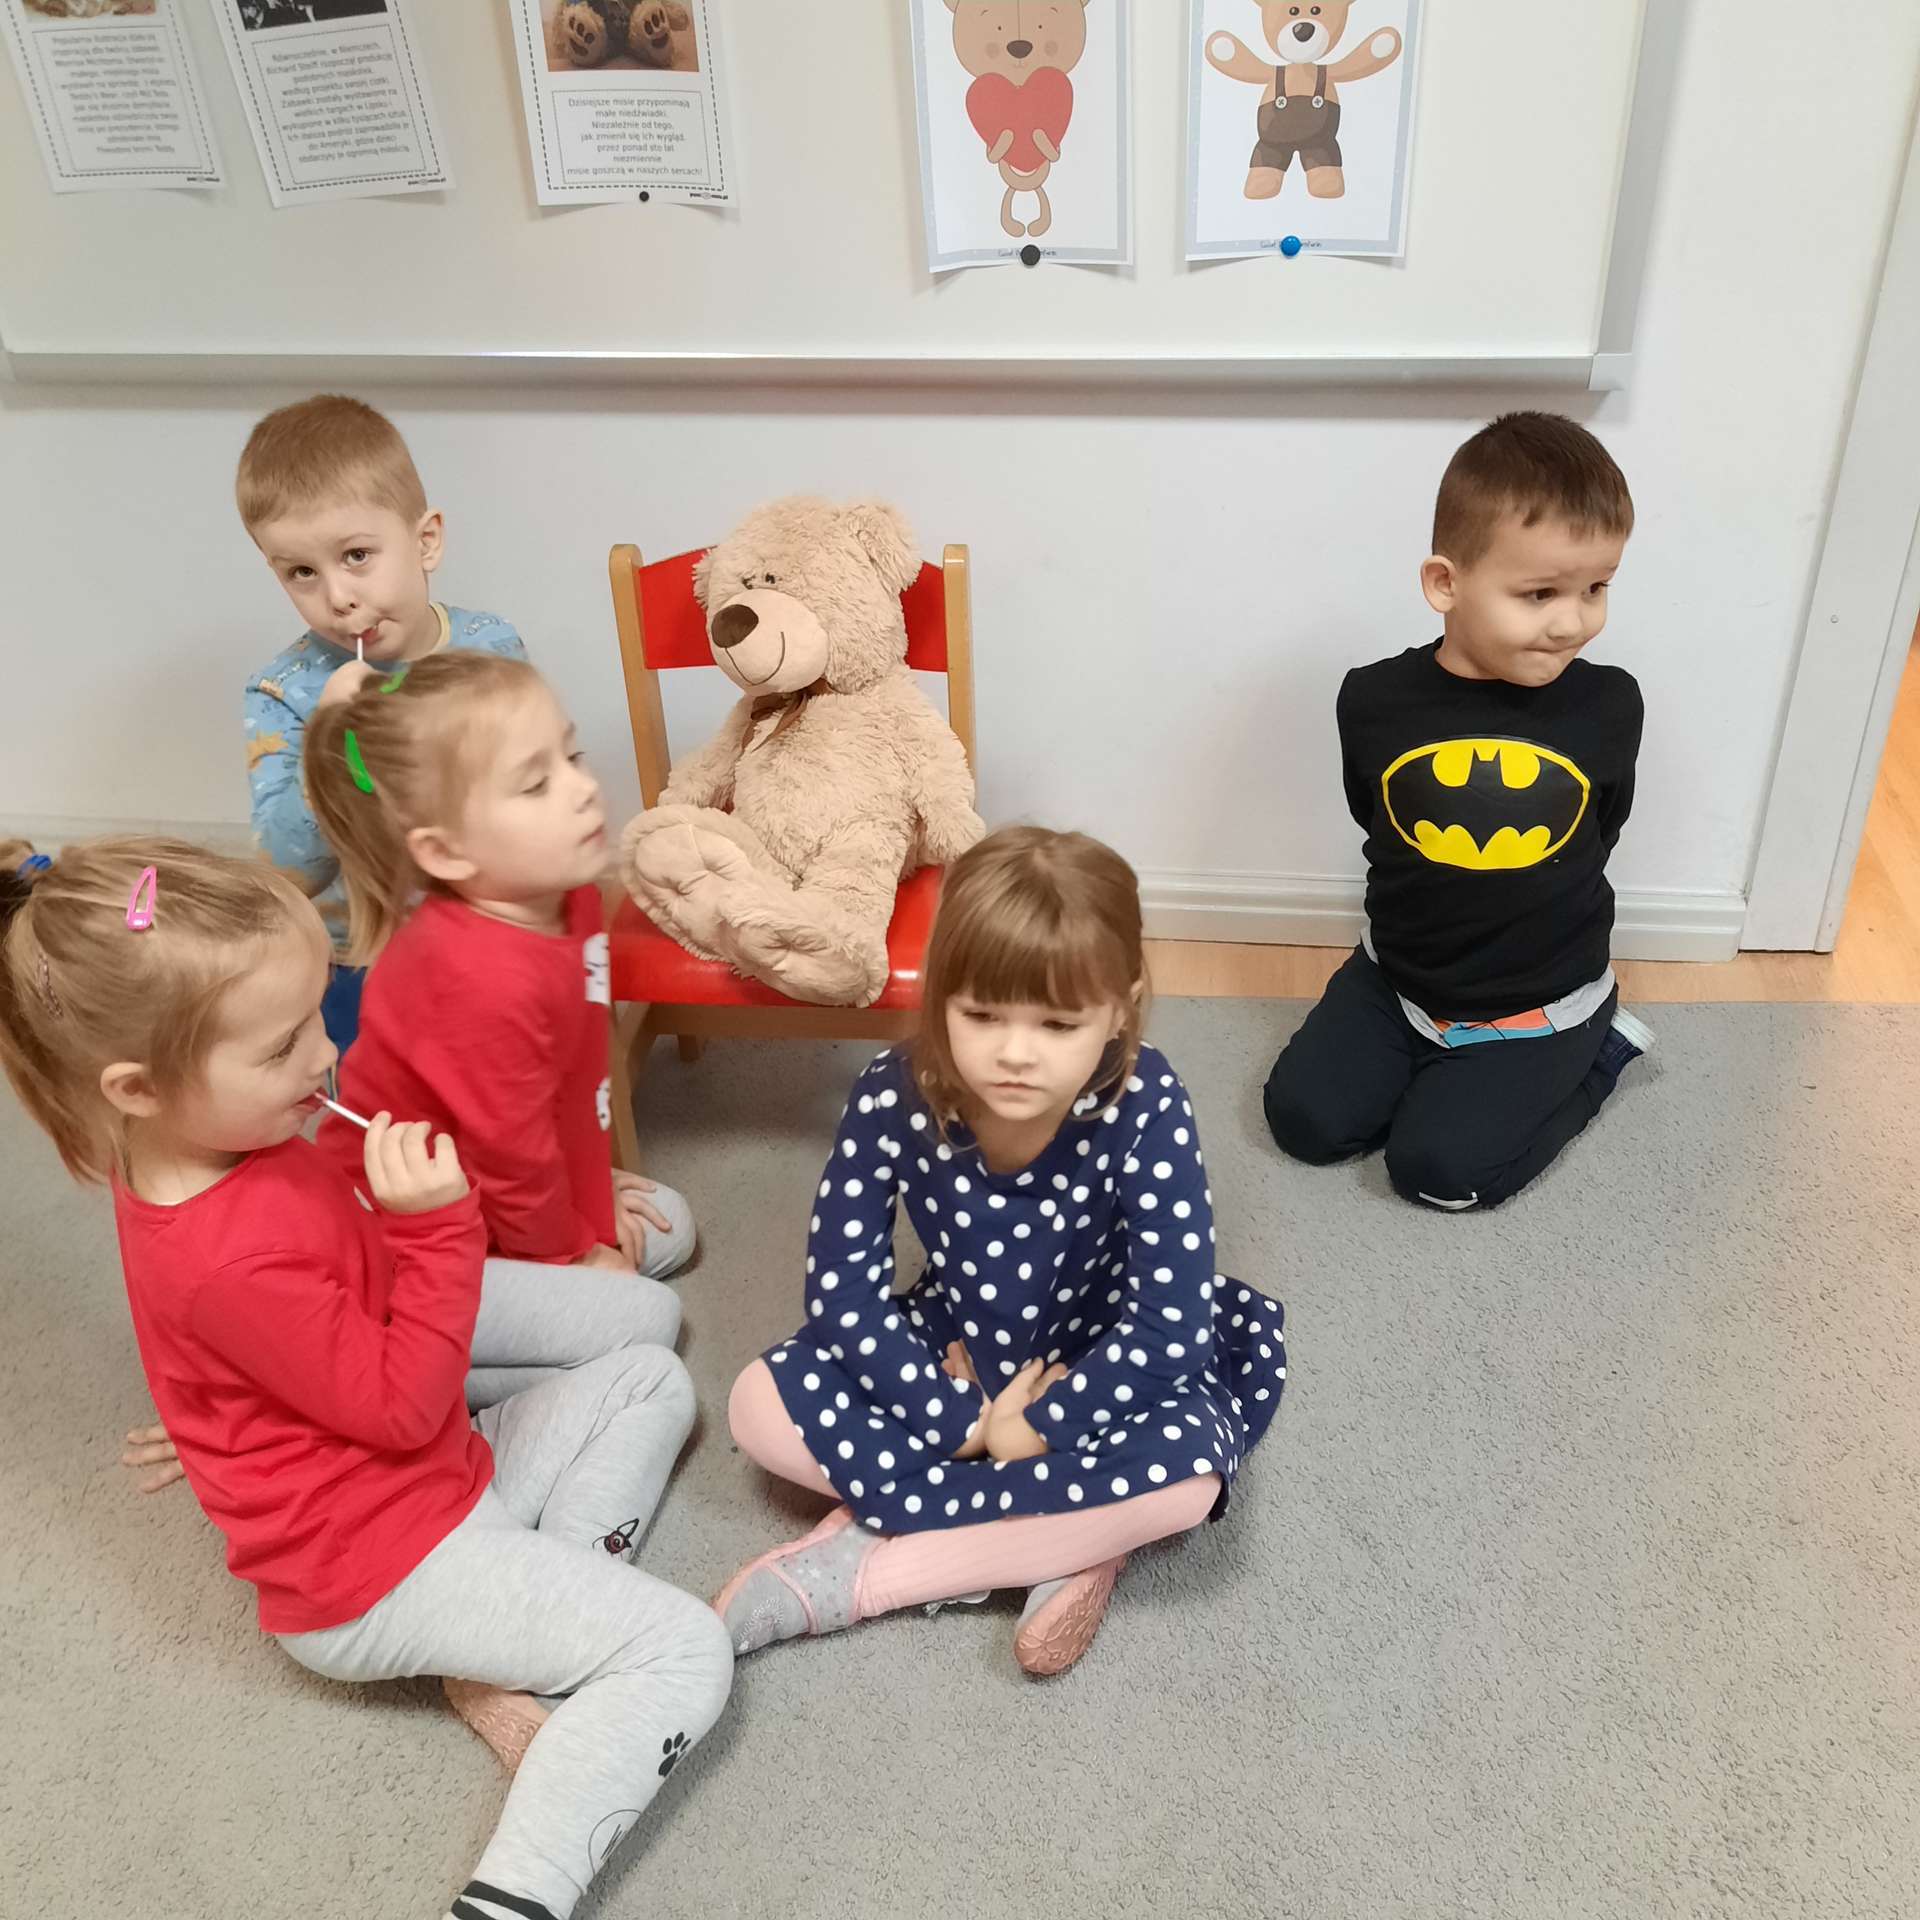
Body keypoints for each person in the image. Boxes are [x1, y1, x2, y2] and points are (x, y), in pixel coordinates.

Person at [0, 838, 729, 1920]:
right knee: (684, 1649)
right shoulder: (225, 1257)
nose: (324, 1055)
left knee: (650, 1370)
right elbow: (399, 1405)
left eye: (316, 1015)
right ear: (139, 1087)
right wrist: (441, 1232)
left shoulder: (197, 1135)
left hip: (429, 1460)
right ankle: (510, 1897)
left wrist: (218, 1416)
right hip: (375, 1568)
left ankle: (512, 1630)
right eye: (284, 1044)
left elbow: (258, 1325)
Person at [715, 826, 1287, 1676]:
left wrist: (1038, 1427)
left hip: (1102, 1353)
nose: (1015, 1053)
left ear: (1120, 1007)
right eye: (981, 1015)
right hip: (952, 1347)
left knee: (1192, 1481)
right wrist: (963, 1424)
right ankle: (1073, 1544)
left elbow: (1170, 1329)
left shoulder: (1148, 1098)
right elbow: (842, 1294)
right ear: (941, 993)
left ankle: (868, 1573)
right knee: (755, 1407)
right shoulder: (889, 1092)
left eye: (1058, 1023)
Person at [1264, 411, 1654, 1211]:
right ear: (1446, 583)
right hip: (1397, 981)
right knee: (1303, 1125)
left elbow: (1598, 830)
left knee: (1439, 1174)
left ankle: (1601, 1058)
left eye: (1596, 588)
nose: (1573, 620)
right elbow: (1378, 818)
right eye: (1539, 593)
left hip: (1539, 1006)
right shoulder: (1373, 700)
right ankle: (1426, 1067)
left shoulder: (1609, 706)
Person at [303, 651, 695, 1402]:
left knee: (668, 1226)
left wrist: (591, 1193)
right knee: (649, 1319)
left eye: (571, 757)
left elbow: (565, 1083)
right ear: (444, 851)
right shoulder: (474, 977)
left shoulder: (570, 893)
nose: (584, 788)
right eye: (535, 784)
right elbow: (511, 1157)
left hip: (497, 1189)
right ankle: (384, 1362)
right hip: (409, 1238)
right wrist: (573, 1253)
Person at [238, 394, 524, 1050]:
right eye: (301, 572)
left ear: (426, 542)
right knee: (374, 1104)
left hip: (487, 938)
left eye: (357, 555)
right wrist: (330, 745)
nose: (338, 597)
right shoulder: (283, 693)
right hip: (355, 961)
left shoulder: (491, 648)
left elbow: (525, 792)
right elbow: (289, 872)